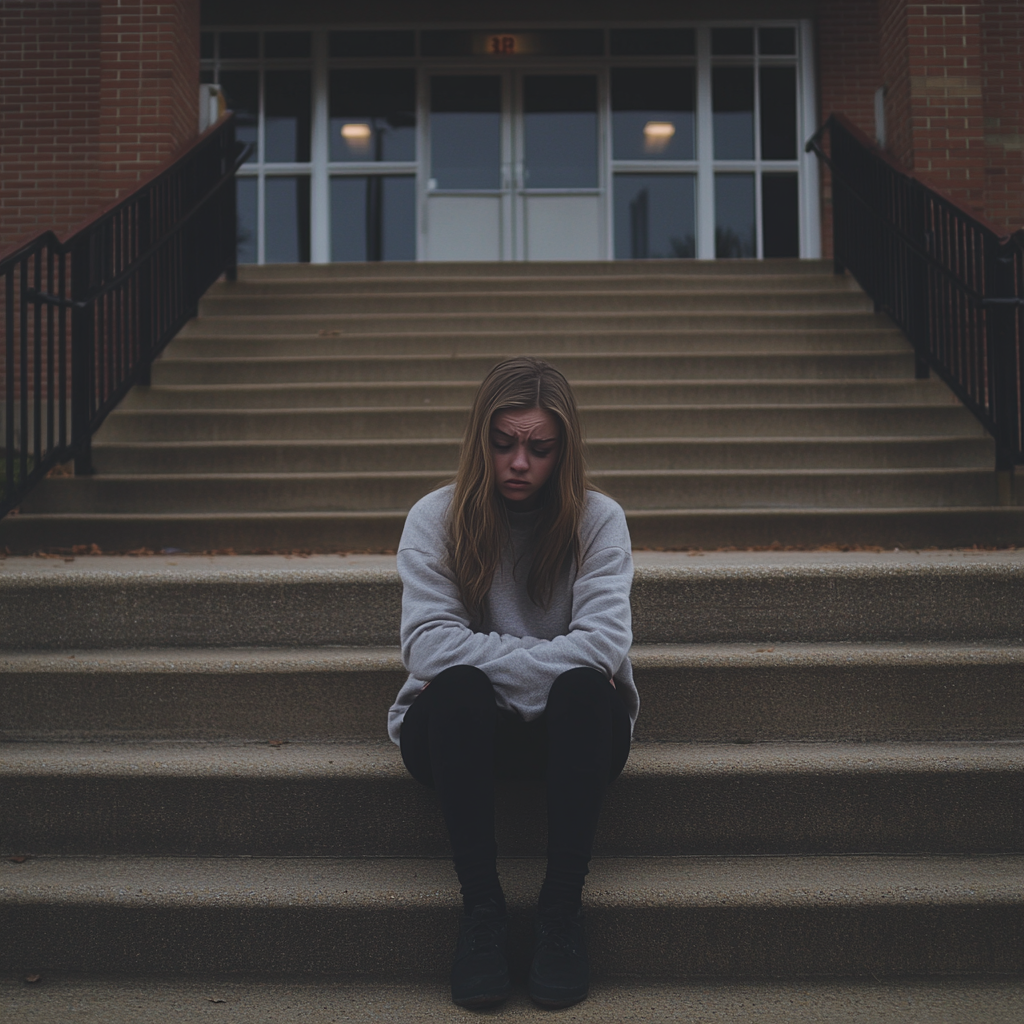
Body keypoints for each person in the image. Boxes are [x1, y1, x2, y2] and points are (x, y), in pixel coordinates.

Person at [388, 356, 638, 1009]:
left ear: (565, 450)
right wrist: (548, 668)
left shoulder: (599, 520)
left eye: (539, 448)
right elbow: (426, 645)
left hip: (574, 735)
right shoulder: (434, 518)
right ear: (481, 442)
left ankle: (560, 917)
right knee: (461, 688)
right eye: (503, 445)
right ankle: (483, 915)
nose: (519, 462)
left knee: (583, 693)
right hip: (459, 734)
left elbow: (606, 643)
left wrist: (540, 678)